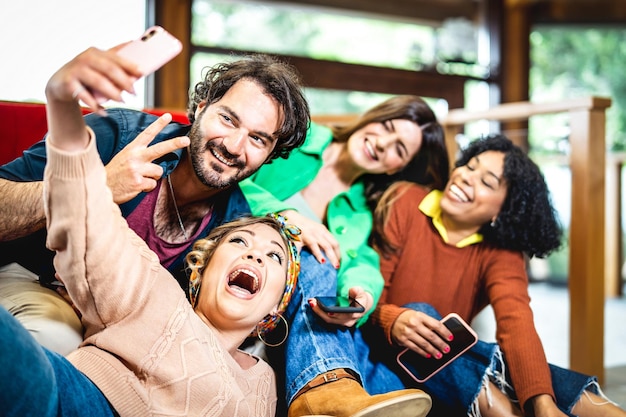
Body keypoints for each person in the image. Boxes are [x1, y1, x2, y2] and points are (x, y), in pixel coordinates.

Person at [0, 54, 303, 416]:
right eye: (227, 119)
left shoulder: (233, 222)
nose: (235, 146)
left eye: (258, 138)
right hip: (33, 276)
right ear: (202, 107)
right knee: (57, 340)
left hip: (113, 326)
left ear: (269, 154)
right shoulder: (123, 135)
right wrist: (93, 187)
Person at [365, 134, 626, 416]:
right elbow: (365, 297)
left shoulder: (499, 250)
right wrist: (392, 320)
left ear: (501, 213)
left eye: (486, 182)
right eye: (470, 165)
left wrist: (543, 404)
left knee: (506, 361)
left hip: (442, 372)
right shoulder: (406, 202)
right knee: (422, 315)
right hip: (377, 362)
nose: (466, 177)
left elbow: (516, 325)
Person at [239, 95, 450, 416]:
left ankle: (356, 398)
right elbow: (231, 178)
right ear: (372, 117)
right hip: (240, 254)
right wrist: (286, 215)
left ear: (399, 167)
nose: (382, 144)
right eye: (387, 127)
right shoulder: (299, 134)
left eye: (398, 149)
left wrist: (362, 295)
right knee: (319, 257)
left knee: (387, 322)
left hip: (290, 299)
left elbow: (362, 262)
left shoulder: (363, 209)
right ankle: (322, 390)